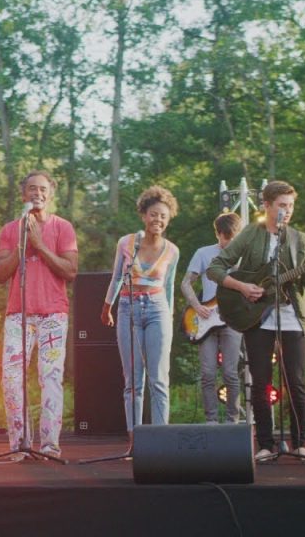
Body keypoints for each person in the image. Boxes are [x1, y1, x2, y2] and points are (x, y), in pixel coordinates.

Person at [208, 181, 305, 461]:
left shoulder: (302, 241)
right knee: (261, 381)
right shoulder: (252, 233)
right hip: (257, 318)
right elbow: (216, 268)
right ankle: (265, 444)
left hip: (293, 318)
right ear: (266, 205)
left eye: (291, 206)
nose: (287, 211)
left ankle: (300, 443)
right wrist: (241, 287)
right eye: (282, 206)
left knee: (296, 381)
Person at [0, 170, 78, 459]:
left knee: (50, 378)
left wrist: (40, 245)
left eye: (42, 189)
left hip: (53, 313)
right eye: (31, 189)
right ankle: (20, 445)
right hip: (18, 314)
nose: (37, 193)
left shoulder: (63, 227)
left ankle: (49, 445)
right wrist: (22, 243)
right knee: (11, 379)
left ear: (50, 194)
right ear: (23, 194)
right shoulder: (9, 230)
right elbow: (0, 274)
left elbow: (70, 271)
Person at [101, 186, 180, 448]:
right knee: (133, 380)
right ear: (144, 215)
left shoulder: (172, 250)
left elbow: (168, 287)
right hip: (127, 307)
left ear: (168, 221)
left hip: (157, 309)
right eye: (154, 214)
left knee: (158, 378)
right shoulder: (127, 243)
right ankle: (135, 441)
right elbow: (116, 277)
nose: (158, 220)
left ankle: (160, 442)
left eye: (163, 217)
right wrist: (107, 306)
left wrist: (169, 317)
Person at [181, 212, 244, 425]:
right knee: (207, 373)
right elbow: (186, 283)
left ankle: (232, 421)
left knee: (231, 373)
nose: (227, 242)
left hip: (233, 319)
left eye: (232, 237)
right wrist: (197, 306)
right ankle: (211, 421)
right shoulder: (203, 253)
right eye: (224, 237)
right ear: (217, 233)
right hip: (207, 319)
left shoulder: (245, 257)